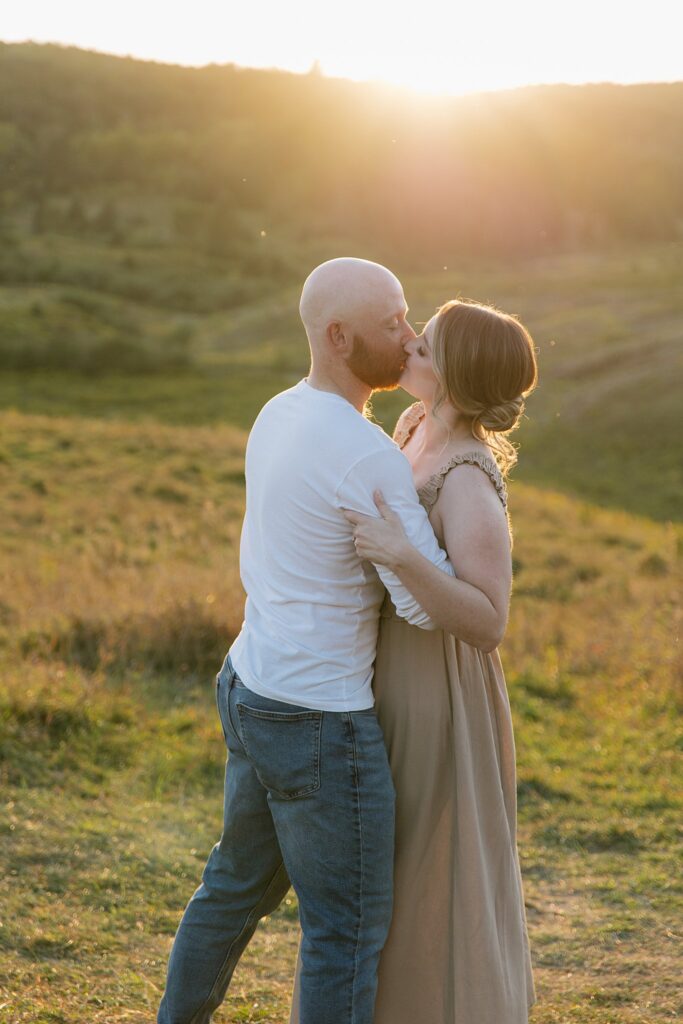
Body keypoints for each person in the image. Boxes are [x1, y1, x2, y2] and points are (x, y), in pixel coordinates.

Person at [157, 258, 455, 1024]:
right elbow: (423, 612)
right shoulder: (367, 457)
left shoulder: (280, 411)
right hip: (320, 721)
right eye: (391, 322)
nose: (410, 332)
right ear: (338, 335)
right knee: (343, 934)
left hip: (250, 685)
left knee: (230, 889)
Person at [343, 298, 539, 1024]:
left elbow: (488, 621)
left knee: (434, 861)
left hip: (438, 690)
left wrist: (399, 554)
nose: (409, 347)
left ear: (455, 373)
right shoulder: (413, 425)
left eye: (424, 345)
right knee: (389, 860)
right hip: (384, 670)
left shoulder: (465, 476)